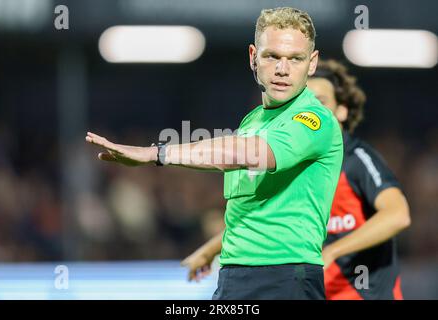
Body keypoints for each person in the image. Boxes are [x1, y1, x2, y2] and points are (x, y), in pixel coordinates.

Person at [85, 7, 343, 300]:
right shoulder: (253, 121)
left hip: (285, 278)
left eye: (295, 59)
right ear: (253, 57)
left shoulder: (314, 119)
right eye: (272, 56)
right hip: (234, 275)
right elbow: (249, 211)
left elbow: (252, 153)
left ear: (312, 63)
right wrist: (212, 249)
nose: (282, 69)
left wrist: (156, 153)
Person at [182, 59, 411, 300]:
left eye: (320, 102)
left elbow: (397, 215)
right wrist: (210, 250)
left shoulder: (356, 158)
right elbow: (265, 219)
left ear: (342, 110)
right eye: (302, 104)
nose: (310, 111)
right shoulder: (291, 162)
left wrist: (332, 252)